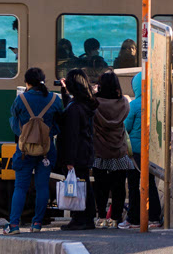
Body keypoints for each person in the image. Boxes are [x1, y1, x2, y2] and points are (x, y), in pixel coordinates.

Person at [4, 67, 63, 235]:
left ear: (27, 82)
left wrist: (24, 134)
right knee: (42, 186)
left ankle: (14, 226)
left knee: (20, 187)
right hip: (46, 149)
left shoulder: (21, 99)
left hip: (25, 150)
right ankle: (37, 224)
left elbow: (15, 122)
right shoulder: (54, 99)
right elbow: (59, 123)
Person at [92, 70, 136, 227]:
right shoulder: (124, 102)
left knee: (100, 186)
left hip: (100, 152)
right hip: (119, 150)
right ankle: (115, 218)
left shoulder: (94, 103)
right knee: (118, 187)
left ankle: (101, 217)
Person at [59, 68, 99, 230]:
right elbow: (70, 105)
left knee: (78, 186)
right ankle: (86, 218)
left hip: (77, 154)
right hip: (85, 151)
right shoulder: (83, 104)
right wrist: (64, 93)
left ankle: (80, 219)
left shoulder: (75, 108)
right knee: (84, 185)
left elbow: (72, 135)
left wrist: (69, 160)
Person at [122, 71, 162, 228]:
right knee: (150, 183)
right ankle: (154, 218)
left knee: (133, 185)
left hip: (135, 152)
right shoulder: (156, 103)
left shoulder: (134, 105)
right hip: (151, 150)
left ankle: (133, 219)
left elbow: (125, 128)